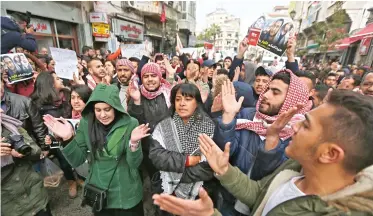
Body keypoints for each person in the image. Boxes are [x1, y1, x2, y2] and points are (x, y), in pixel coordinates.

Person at [153, 90, 373, 216]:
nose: (294, 128)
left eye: (305, 125)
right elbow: (260, 193)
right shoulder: (295, 170)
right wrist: (225, 170)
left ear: (330, 154)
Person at [213, 69, 312, 216]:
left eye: (275, 92)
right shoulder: (247, 115)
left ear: (291, 99)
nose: (265, 95)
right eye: (268, 89)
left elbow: (267, 179)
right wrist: (227, 117)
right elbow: (224, 152)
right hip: (229, 199)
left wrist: (272, 140)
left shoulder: (298, 134)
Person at [43, 84, 148, 215]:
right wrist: (68, 139)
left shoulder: (130, 123)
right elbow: (76, 160)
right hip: (99, 189)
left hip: (126, 191)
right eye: (98, 110)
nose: (102, 114)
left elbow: (134, 163)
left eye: (107, 109)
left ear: (115, 107)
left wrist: (133, 143)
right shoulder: (86, 122)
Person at [149, 83, 216, 214]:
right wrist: (186, 161)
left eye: (188, 99)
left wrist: (176, 176)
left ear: (197, 102)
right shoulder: (164, 125)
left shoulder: (208, 127)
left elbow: (208, 166)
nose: (182, 103)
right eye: (178, 99)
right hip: (167, 191)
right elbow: (157, 156)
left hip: (197, 193)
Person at [30, 72, 79, 198]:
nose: (61, 80)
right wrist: (45, 144)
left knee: (77, 156)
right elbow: (37, 126)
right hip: (54, 139)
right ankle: (71, 181)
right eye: (57, 78)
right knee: (64, 160)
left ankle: (79, 176)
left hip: (72, 132)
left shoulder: (67, 94)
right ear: (50, 84)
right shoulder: (38, 105)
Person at [1, 109, 51, 216]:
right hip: (10, 206)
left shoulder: (10, 126)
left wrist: (22, 150)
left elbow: (36, 152)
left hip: (35, 195)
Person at [127, 63, 172, 180]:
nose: (150, 79)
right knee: (156, 179)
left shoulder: (168, 93)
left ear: (159, 77)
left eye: (153, 75)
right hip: (148, 149)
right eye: (146, 76)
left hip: (168, 148)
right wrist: (137, 101)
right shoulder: (136, 95)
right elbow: (135, 124)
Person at [1, 73, 46, 147]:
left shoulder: (24, 102)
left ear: (3, 83)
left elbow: (38, 126)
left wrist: (44, 147)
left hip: (27, 148)